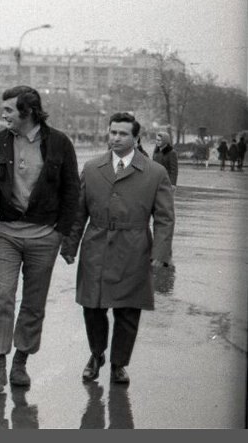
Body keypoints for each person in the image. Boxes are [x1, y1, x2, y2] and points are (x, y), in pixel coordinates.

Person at [61, 112, 174, 385]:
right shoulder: (92, 168)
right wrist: (70, 245)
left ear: (136, 138)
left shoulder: (155, 172)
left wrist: (160, 253)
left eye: (123, 134)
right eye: (113, 132)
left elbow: (164, 218)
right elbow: (78, 212)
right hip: (96, 245)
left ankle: (119, 364)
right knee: (92, 306)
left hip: (134, 247)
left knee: (128, 310)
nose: (116, 138)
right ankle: (96, 354)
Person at [0, 85, 80, 393]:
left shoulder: (60, 143)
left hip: (44, 235)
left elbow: (72, 191)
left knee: (34, 303)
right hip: (6, 233)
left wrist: (61, 233)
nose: (4, 115)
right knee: (2, 296)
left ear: (28, 112)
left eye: (9, 110)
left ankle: (20, 362)